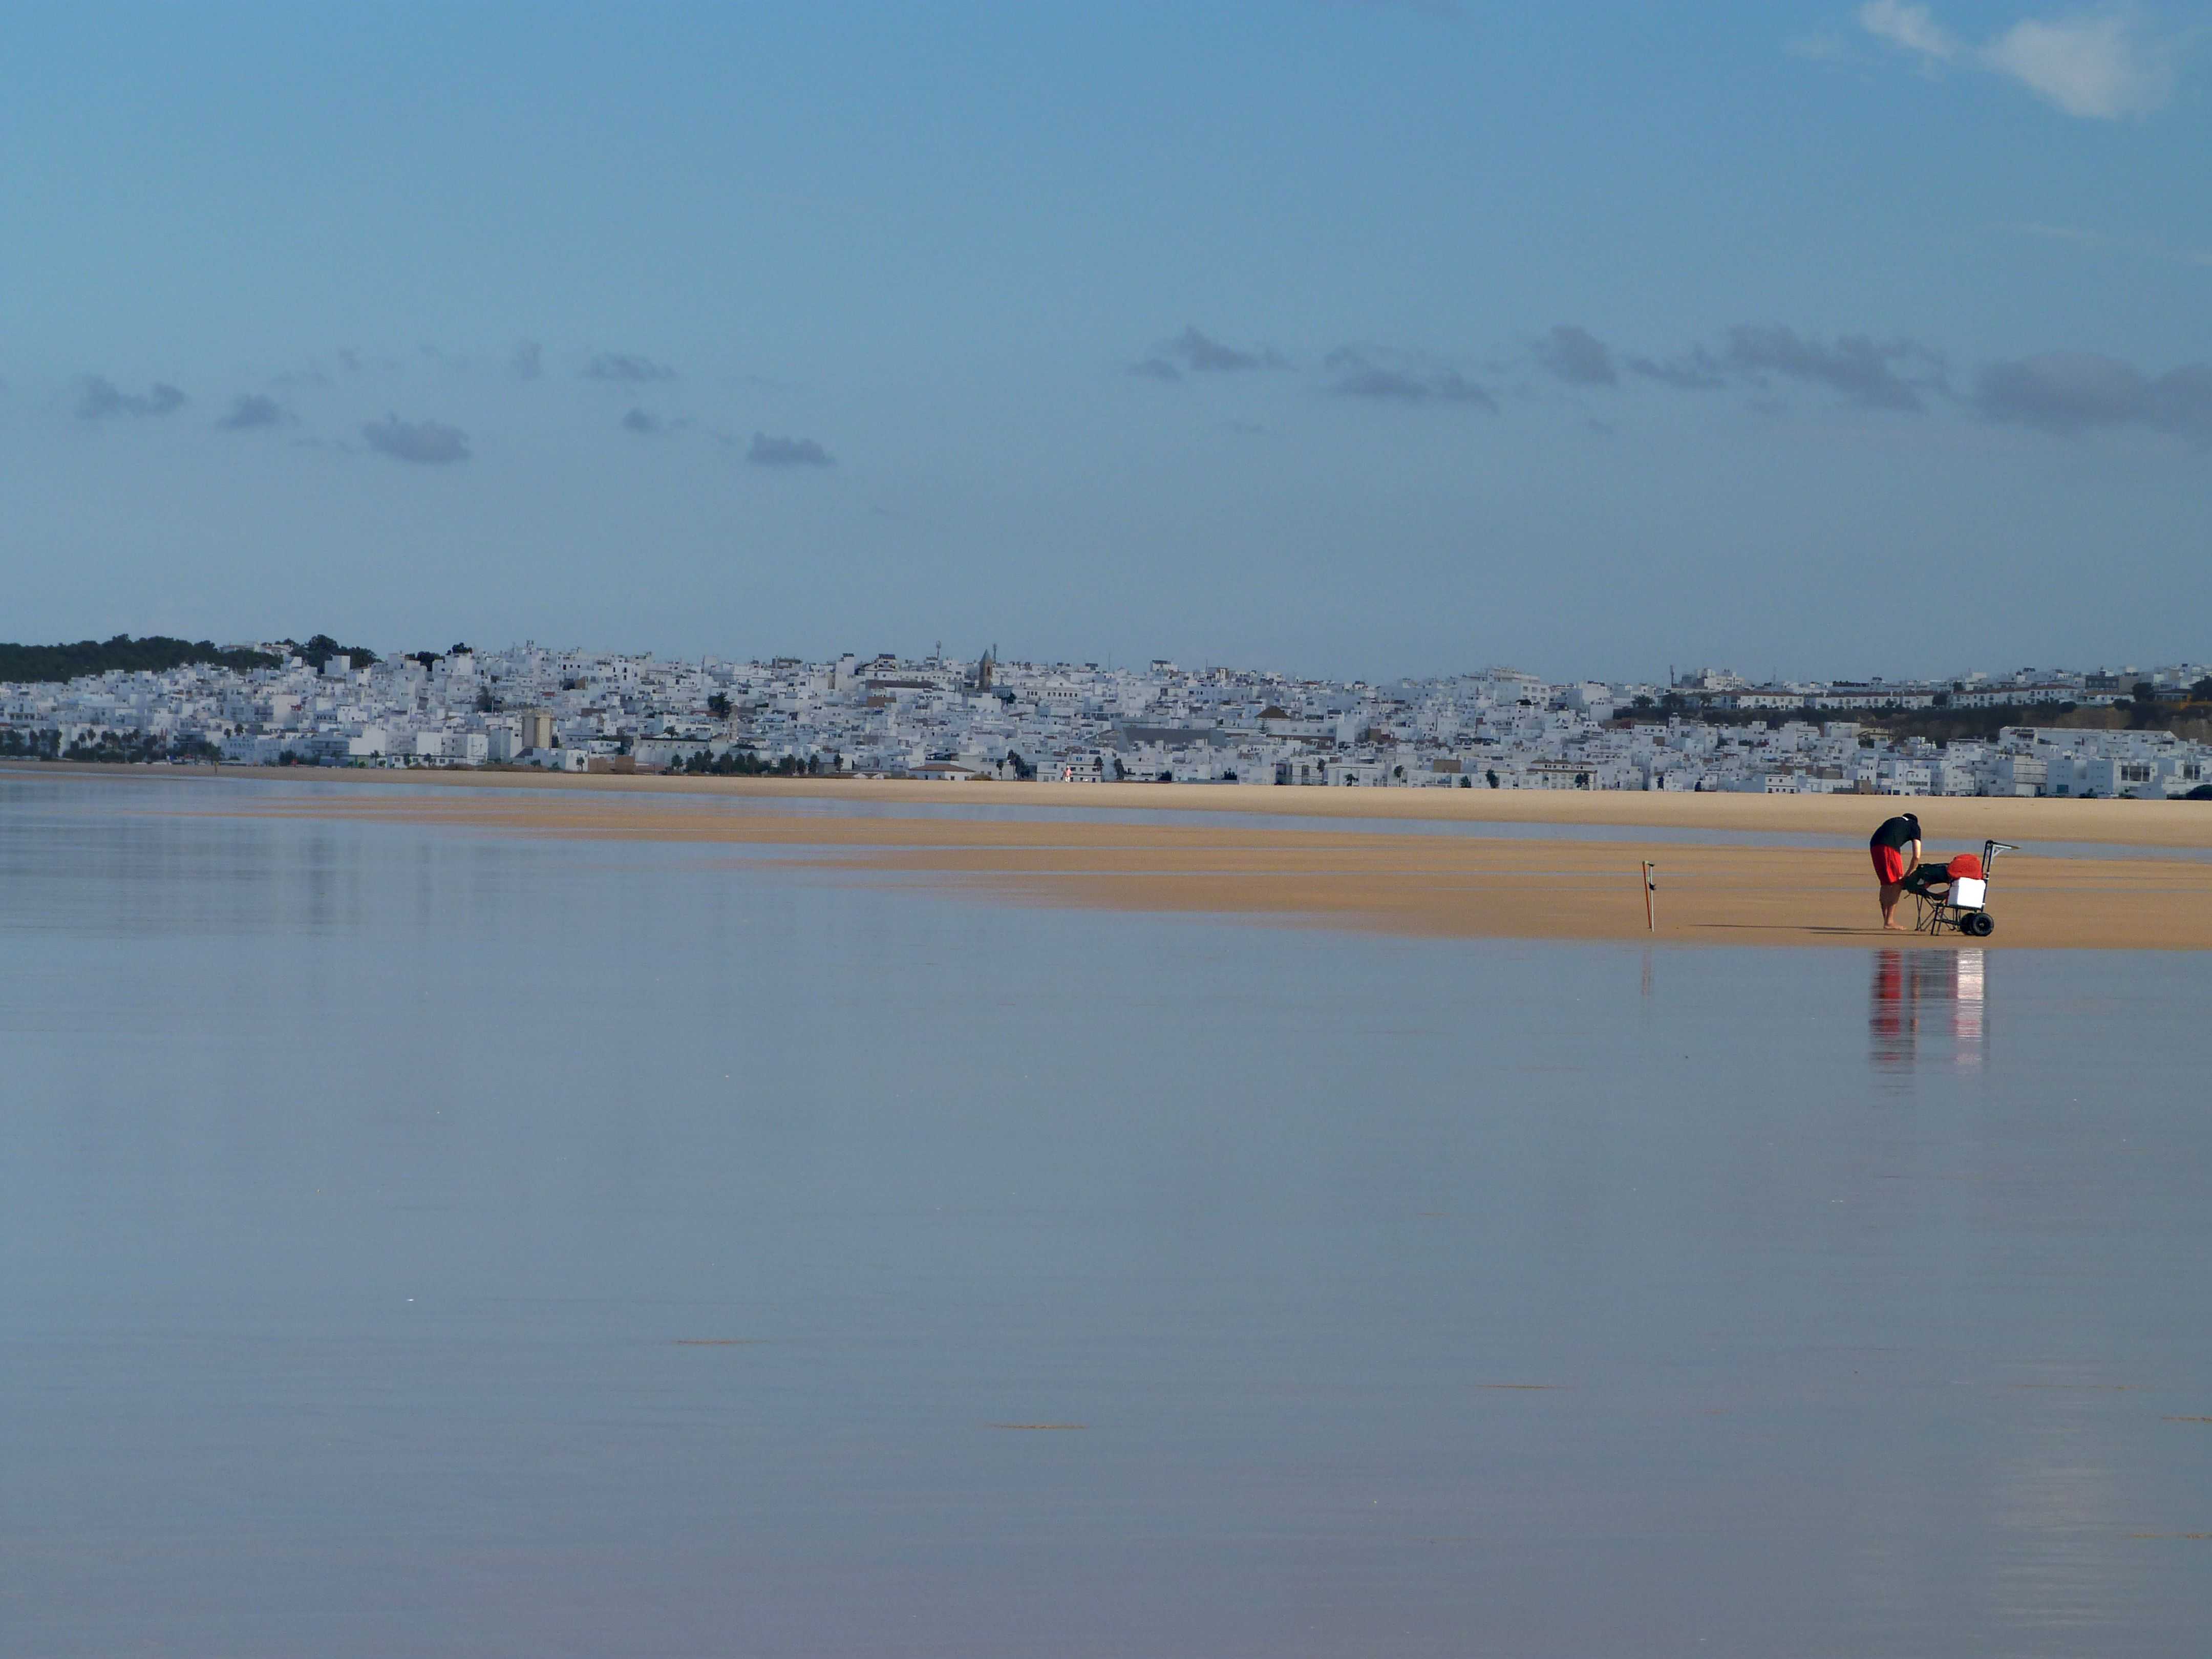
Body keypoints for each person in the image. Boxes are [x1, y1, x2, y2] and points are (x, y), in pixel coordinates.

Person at [1868, 811, 1922, 931]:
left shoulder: (1893, 820)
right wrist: (1908, 875)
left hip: (1874, 845)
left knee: (1886, 883)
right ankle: (1889, 922)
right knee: (1898, 883)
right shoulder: (1914, 826)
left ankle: (1886, 920)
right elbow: (1917, 856)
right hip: (1889, 847)